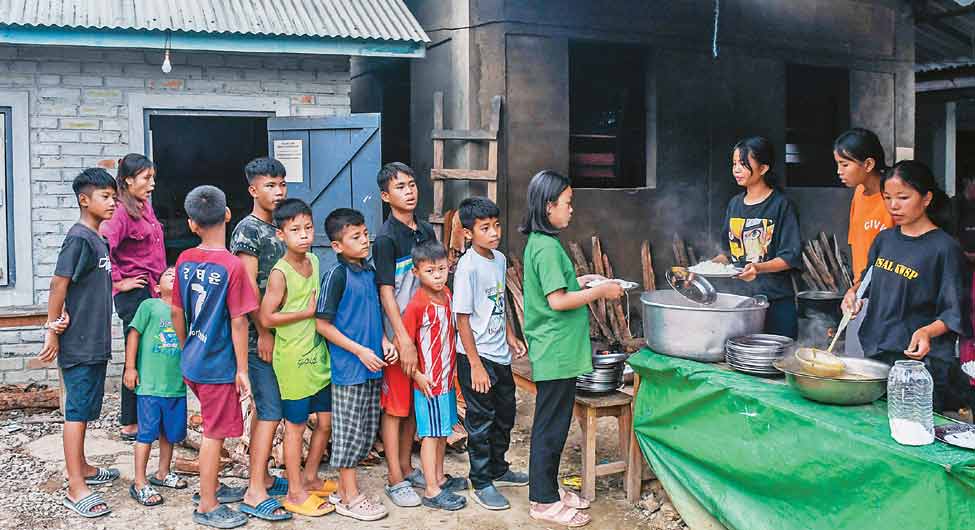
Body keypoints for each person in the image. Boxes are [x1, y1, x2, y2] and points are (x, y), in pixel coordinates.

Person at [519, 170, 623, 528]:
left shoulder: (542, 242)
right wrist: (600, 292)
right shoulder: (546, 247)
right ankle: (542, 501)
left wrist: (586, 280)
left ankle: (548, 488)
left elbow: (559, 288)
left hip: (558, 349)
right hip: (555, 350)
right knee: (550, 426)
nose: (571, 210)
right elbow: (559, 301)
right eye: (567, 203)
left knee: (556, 423)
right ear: (549, 207)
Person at [843, 161, 970, 412]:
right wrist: (852, 293)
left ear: (926, 198)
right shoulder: (885, 239)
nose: (893, 205)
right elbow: (867, 280)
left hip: (920, 365)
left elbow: (953, 312)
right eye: (887, 197)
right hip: (877, 354)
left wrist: (926, 332)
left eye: (903, 197)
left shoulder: (944, 249)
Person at [171, 185, 257, 529]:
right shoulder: (232, 266)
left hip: (193, 358)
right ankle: (207, 504)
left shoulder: (184, 259)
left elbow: (177, 311)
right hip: (218, 363)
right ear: (227, 215)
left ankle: (213, 486)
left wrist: (185, 345)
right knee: (213, 432)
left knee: (211, 424)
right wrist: (243, 369)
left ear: (192, 224)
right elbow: (239, 322)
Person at [38, 168, 118, 518]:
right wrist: (52, 327)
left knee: (86, 410)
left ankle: (83, 466)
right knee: (76, 412)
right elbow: (59, 283)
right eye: (105, 196)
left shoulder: (98, 238)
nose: (112, 202)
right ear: (85, 200)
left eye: (114, 196)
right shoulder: (79, 238)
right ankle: (75, 485)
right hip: (79, 342)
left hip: (94, 337)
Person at [316, 208, 394, 521]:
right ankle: (349, 497)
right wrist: (360, 350)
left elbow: (375, 314)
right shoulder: (336, 275)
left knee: (363, 432)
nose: (365, 241)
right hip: (349, 369)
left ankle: (344, 491)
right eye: (355, 237)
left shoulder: (369, 272)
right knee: (348, 434)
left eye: (364, 234)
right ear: (337, 246)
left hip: (372, 365)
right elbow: (323, 324)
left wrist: (385, 342)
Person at [452, 197, 529, 511]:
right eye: (485, 228)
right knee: (481, 421)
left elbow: (499, 303)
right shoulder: (467, 267)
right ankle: (481, 481)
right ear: (469, 233)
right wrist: (475, 366)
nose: (494, 232)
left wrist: (510, 335)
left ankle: (499, 467)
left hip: (499, 354)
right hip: (476, 357)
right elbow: (462, 319)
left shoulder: (498, 259)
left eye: (496, 225)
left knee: (505, 414)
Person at [259, 199, 333, 518]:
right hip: (291, 359)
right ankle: (294, 491)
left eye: (308, 228)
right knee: (296, 427)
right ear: (280, 235)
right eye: (295, 230)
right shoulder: (280, 273)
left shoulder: (315, 261)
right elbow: (266, 317)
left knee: (325, 422)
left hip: (317, 355)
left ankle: (311, 477)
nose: (304, 235)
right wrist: (305, 312)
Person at [372, 162, 439, 507]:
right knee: (395, 406)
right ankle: (394, 478)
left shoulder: (425, 231)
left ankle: (408, 465)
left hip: (425, 331)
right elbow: (385, 292)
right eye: (400, 187)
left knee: (413, 403)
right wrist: (402, 338)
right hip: (400, 337)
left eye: (412, 185)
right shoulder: (385, 239)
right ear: (386, 196)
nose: (409, 191)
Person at [229, 157, 293, 518]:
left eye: (282, 184)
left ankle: (264, 476)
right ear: (253, 190)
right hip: (258, 336)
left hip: (283, 333)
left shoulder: (280, 228)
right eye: (270, 185)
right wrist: (264, 333)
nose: (279, 191)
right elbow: (247, 288)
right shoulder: (247, 231)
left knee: (269, 411)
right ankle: (254, 491)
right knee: (270, 410)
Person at [101, 154, 166, 440]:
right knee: (135, 355)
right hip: (134, 294)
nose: (151, 184)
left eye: (152, 177)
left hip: (151, 289)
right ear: (128, 180)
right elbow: (101, 248)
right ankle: (129, 423)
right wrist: (120, 281)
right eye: (145, 178)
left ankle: (143, 416)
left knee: (147, 354)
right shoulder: (118, 212)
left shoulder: (143, 207)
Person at [713, 137, 802, 338]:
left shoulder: (781, 205)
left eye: (743, 164)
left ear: (763, 168)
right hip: (739, 302)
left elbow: (790, 257)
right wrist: (703, 268)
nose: (736, 169)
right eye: (734, 164)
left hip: (775, 302)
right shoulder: (734, 204)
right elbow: (727, 254)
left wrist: (758, 268)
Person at [399, 241, 465, 511]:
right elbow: (406, 347)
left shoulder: (447, 295)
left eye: (442, 269)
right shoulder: (417, 306)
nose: (438, 276)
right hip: (429, 384)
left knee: (441, 434)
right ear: (416, 273)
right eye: (430, 271)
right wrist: (417, 376)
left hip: (446, 380)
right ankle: (431, 489)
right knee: (429, 435)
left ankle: (438, 477)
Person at [123, 266, 188, 506]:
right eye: (168, 275)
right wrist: (130, 367)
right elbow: (134, 335)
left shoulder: (184, 312)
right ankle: (140, 481)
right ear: (157, 288)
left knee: (169, 434)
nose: (173, 275)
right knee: (146, 434)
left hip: (176, 386)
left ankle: (162, 473)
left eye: (177, 276)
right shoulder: (149, 306)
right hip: (150, 386)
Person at [833, 128, 893, 357]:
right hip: (861, 293)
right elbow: (858, 245)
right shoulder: (859, 193)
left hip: (888, 298)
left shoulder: (892, 200)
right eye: (837, 164)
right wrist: (856, 288)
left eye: (845, 164)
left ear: (868, 164)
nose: (839, 171)